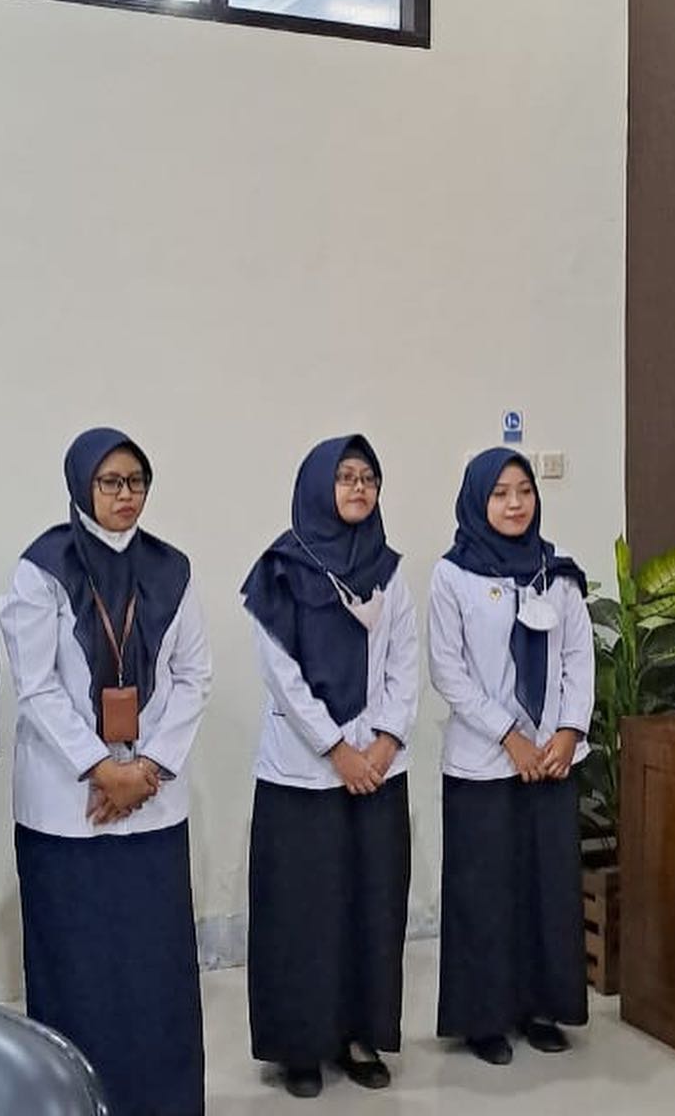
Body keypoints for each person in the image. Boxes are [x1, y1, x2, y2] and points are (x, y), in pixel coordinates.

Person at [0, 428, 211, 1116]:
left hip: (151, 804)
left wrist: (145, 768)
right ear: (81, 485)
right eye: (110, 482)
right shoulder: (41, 568)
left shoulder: (172, 569)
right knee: (79, 973)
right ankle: (74, 1101)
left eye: (136, 482)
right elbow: (36, 687)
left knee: (155, 970)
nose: (126, 495)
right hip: (68, 810)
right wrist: (100, 768)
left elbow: (193, 676)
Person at [241, 436, 418, 1099]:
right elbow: (281, 674)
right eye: (345, 476)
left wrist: (384, 743)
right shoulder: (280, 569)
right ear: (318, 485)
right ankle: (301, 1047)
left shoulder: (390, 571)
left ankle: (360, 1035)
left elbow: (405, 662)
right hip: (303, 774)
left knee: (372, 905)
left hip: (378, 771)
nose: (358, 488)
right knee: (302, 913)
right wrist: (337, 750)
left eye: (368, 477)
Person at [428, 448, 594, 1065]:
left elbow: (578, 658)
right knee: (486, 894)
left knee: (547, 889)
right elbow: (448, 670)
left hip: (551, 760)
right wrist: (509, 736)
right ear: (478, 500)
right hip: (483, 763)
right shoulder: (453, 576)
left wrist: (568, 733)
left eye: (524, 490)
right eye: (500, 493)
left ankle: (542, 1009)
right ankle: (485, 1020)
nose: (515, 503)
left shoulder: (558, 571)